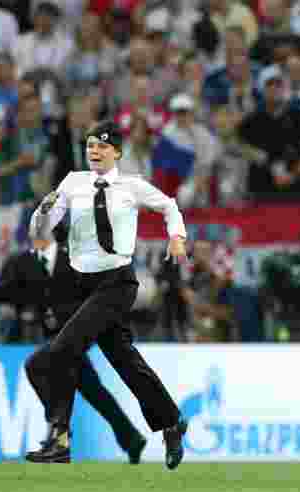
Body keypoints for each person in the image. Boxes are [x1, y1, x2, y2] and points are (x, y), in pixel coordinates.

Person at [25, 120, 189, 468]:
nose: (94, 152)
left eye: (102, 147)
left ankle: (59, 438)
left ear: (117, 152)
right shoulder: (72, 183)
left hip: (115, 282)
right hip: (79, 285)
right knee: (124, 361)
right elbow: (40, 233)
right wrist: (41, 212)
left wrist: (176, 237)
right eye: (90, 146)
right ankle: (172, 422)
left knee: (60, 352)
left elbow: (169, 206)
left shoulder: (131, 186)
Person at [0, 219, 148, 464]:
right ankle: (130, 438)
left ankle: (59, 436)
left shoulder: (75, 256)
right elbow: (11, 293)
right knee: (92, 389)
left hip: (80, 331)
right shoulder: (24, 262)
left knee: (37, 366)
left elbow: (94, 294)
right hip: (55, 336)